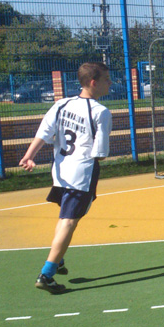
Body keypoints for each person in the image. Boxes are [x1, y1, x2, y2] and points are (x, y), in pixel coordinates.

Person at [19, 61, 113, 293]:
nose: (110, 83)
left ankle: (58, 258)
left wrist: (29, 156)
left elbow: (44, 132)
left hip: (60, 171)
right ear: (93, 83)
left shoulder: (62, 104)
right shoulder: (101, 112)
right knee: (69, 221)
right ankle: (47, 274)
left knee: (64, 218)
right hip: (81, 175)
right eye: (106, 79)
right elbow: (100, 154)